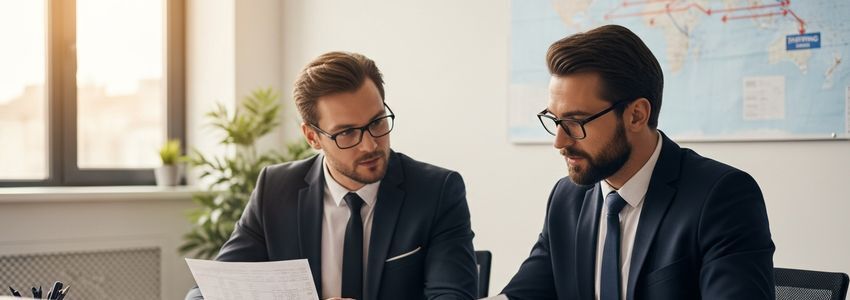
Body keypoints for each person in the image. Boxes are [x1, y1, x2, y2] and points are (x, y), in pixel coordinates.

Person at [500, 25, 775, 299]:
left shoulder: (721, 197)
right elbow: (523, 294)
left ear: (636, 115)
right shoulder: (567, 198)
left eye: (575, 122)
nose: (559, 141)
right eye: (555, 120)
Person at [185, 51, 477, 300]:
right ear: (312, 137)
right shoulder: (275, 191)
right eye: (347, 132)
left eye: (377, 122)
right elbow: (207, 293)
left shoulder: (436, 191)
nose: (370, 144)